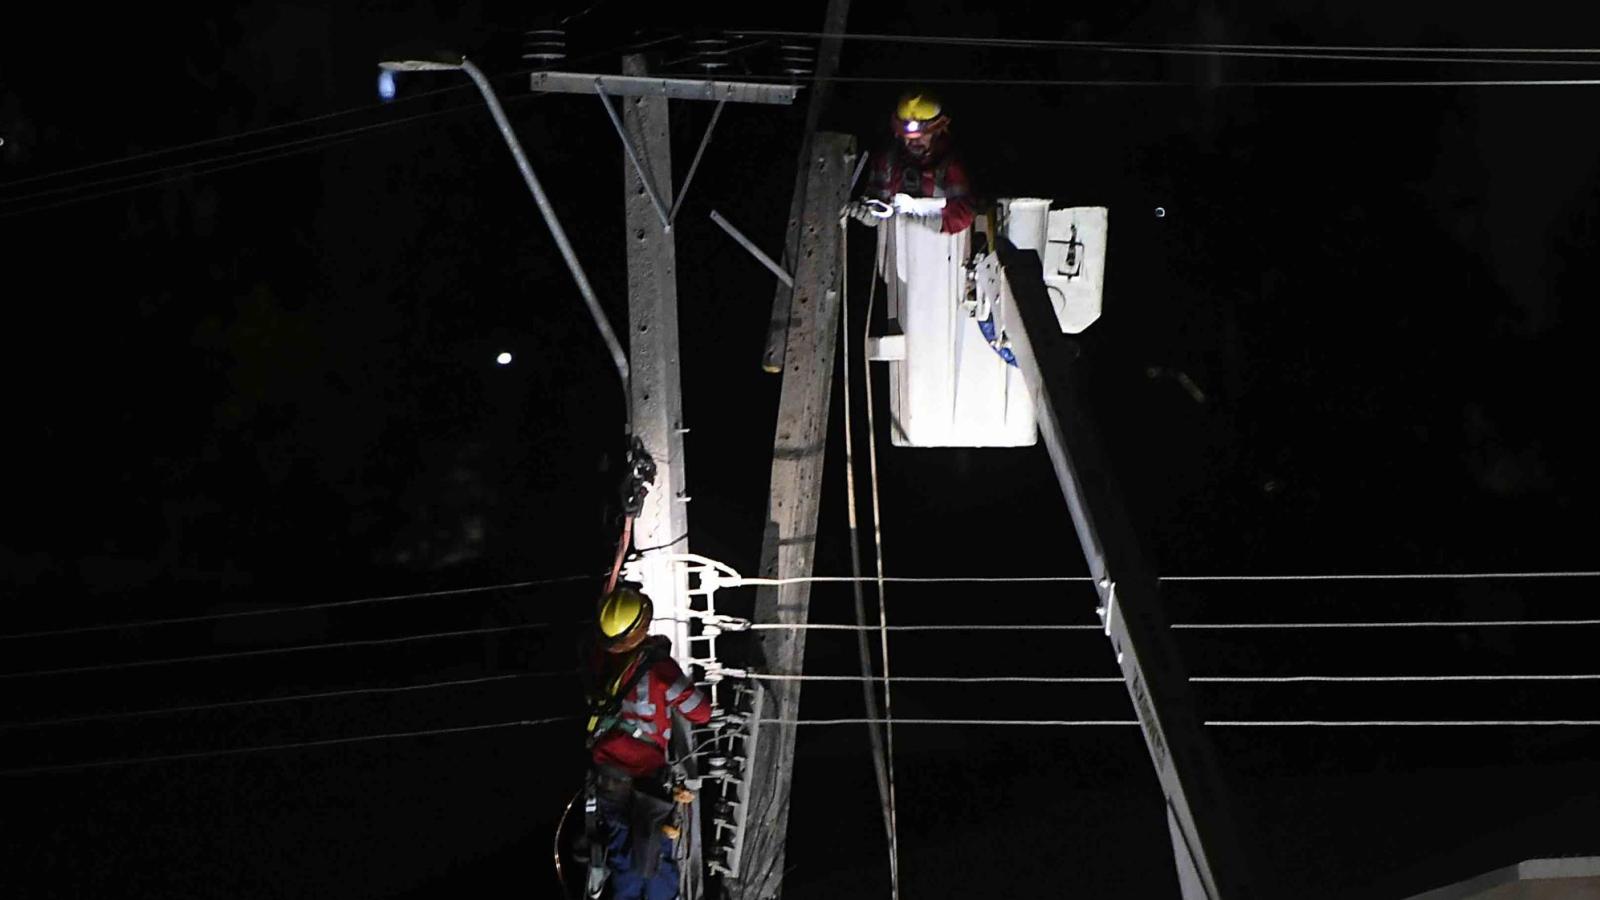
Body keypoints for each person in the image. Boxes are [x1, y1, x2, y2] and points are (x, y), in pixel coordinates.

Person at [580, 585, 711, 900]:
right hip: (648, 787)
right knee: (654, 863)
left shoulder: (598, 661)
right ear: (642, 625)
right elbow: (701, 712)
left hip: (608, 782)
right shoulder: (659, 670)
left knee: (623, 862)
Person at [847, 91, 976, 234]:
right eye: (907, 136)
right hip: (897, 249)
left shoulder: (951, 163)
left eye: (922, 136)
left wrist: (918, 214)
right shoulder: (888, 159)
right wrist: (867, 213)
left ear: (938, 131)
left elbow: (963, 215)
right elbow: (878, 205)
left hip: (940, 249)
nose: (914, 141)